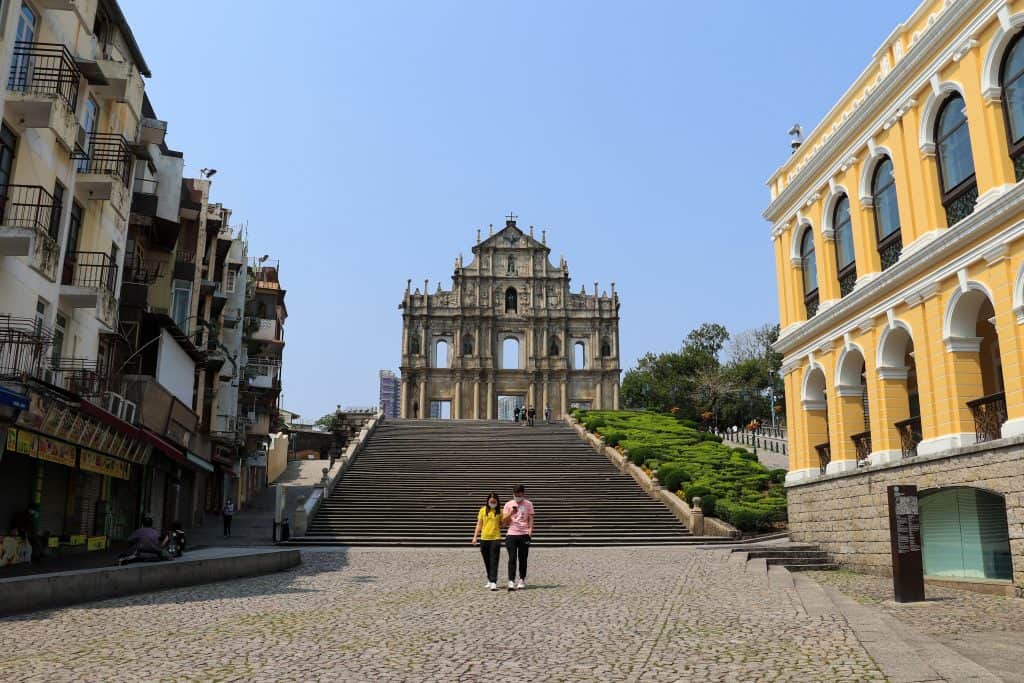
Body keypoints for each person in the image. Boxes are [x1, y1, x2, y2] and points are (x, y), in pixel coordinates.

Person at [502, 484, 534, 591]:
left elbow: (530, 519)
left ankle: (521, 579)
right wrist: (511, 512)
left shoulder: (528, 504)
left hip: (524, 534)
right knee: (512, 558)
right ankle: (511, 580)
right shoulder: (508, 504)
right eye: (515, 494)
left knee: (523, 558)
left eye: (519, 494)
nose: (517, 496)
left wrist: (529, 532)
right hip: (511, 534)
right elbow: (504, 522)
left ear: (523, 493)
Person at [471, 492, 502, 591]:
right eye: (491, 501)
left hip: (495, 538)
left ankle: (493, 581)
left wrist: (510, 515)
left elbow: (503, 524)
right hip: (484, 538)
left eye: (494, 501)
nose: (492, 503)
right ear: (488, 501)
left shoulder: (500, 512)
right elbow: (479, 524)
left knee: (494, 560)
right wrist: (475, 537)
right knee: (487, 561)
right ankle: (489, 579)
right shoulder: (483, 510)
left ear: (497, 502)